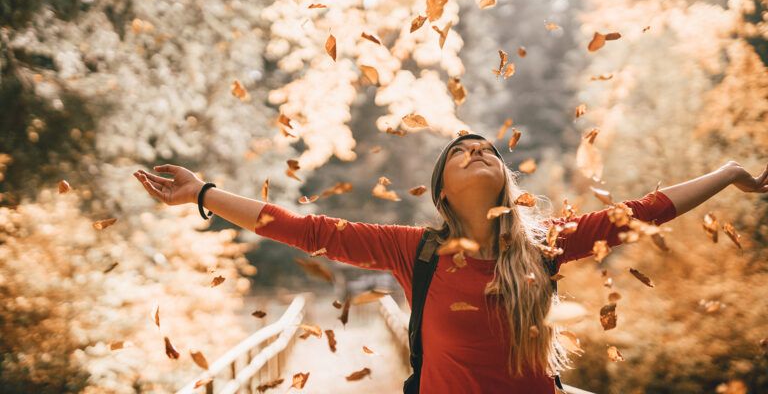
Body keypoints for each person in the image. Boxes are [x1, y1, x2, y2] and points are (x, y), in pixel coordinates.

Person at [132, 133, 767, 394]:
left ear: (504, 179)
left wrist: (730, 172)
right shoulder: (416, 250)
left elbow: (644, 211)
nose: (476, 150)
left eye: (486, 148)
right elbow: (311, 231)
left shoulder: (546, 244)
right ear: (441, 193)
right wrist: (205, 195)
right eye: (461, 151)